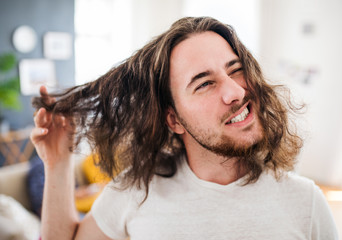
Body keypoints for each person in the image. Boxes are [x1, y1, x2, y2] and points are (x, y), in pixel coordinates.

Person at [30, 16, 339, 240]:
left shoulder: (305, 202)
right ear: (173, 119)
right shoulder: (138, 191)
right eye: (205, 83)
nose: (236, 91)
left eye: (237, 70)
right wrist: (58, 164)